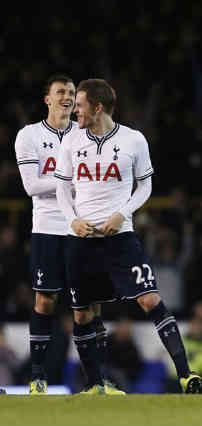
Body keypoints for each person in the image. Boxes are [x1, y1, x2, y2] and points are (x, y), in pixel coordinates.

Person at [54, 78, 201, 394]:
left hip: (120, 239)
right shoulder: (70, 141)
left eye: (78, 105)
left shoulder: (134, 140)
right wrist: (73, 219)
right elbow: (62, 188)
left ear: (97, 107)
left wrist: (124, 213)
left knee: (150, 299)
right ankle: (95, 384)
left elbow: (145, 185)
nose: (73, 110)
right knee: (83, 313)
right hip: (80, 240)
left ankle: (186, 374)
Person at [14, 74, 117, 394]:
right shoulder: (28, 136)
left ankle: (98, 382)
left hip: (84, 228)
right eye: (60, 92)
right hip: (48, 228)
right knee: (45, 301)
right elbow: (32, 187)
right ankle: (37, 377)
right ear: (47, 99)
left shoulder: (86, 133)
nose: (67, 97)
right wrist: (73, 180)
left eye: (72, 92)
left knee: (88, 307)